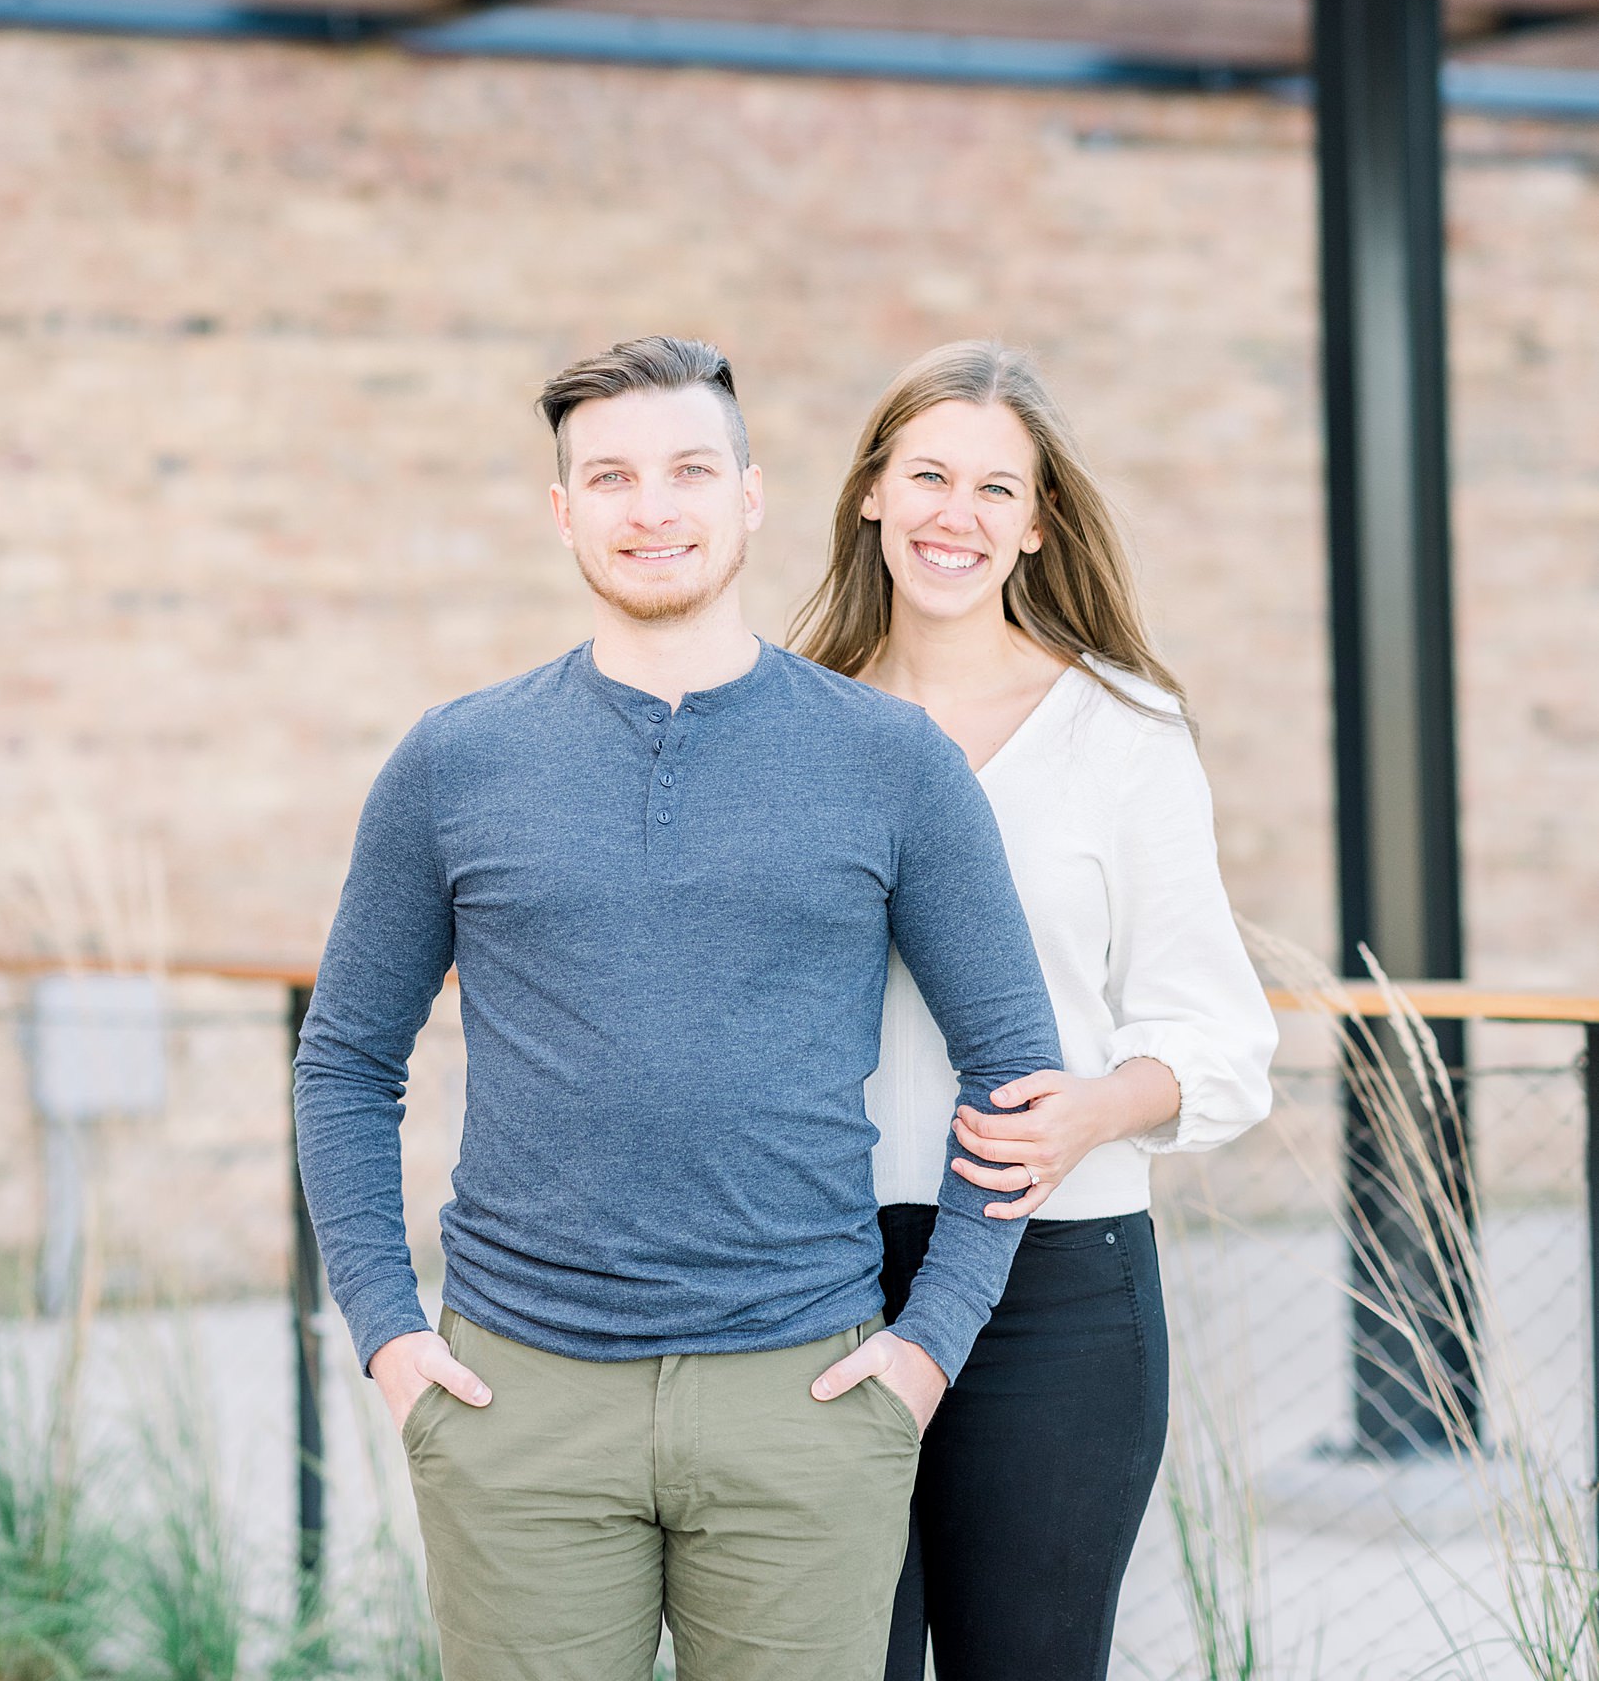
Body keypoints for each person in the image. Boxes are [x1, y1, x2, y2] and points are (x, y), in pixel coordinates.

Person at [293, 334, 1062, 1681]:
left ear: (750, 497)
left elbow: (1013, 1069)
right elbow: (347, 1061)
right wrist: (387, 1335)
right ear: (563, 512)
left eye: (688, 471)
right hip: (513, 1395)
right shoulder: (453, 762)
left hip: (804, 1396)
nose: (652, 509)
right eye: (612, 478)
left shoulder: (890, 763)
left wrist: (926, 1350)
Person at [792, 340, 1278, 1681]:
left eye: (994, 490)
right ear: (871, 496)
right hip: (808, 1282)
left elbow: (1219, 1039)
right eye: (928, 476)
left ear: (1035, 523)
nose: (957, 514)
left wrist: (1096, 1110)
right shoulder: (783, 723)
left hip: (1056, 1285)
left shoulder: (1120, 729)